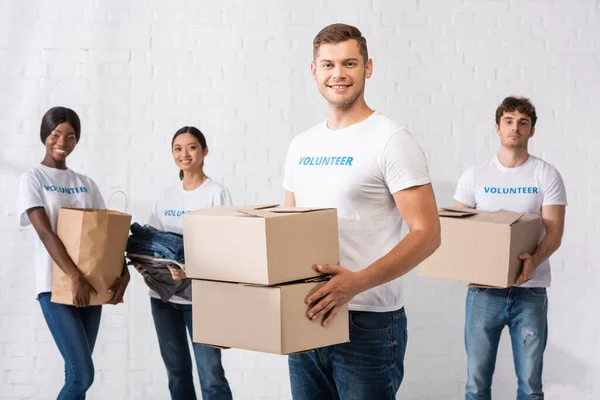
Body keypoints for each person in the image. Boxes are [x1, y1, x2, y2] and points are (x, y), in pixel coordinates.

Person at [282, 23, 441, 399]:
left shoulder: (391, 140)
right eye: (328, 65)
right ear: (314, 70)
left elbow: (428, 233)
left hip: (367, 323)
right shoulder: (300, 145)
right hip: (307, 317)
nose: (338, 74)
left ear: (367, 68)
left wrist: (357, 282)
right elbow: (285, 232)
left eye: (349, 63)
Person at [453, 96, 567, 400]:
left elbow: (554, 231)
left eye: (522, 122)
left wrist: (534, 261)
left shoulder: (546, 174)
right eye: (508, 121)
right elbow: (456, 229)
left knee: (530, 387)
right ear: (497, 127)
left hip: (530, 291)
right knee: (476, 387)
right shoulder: (474, 176)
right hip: (483, 292)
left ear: (532, 131)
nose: (515, 127)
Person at [16, 106, 130, 399]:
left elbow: (107, 234)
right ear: (45, 134)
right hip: (55, 288)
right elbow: (45, 232)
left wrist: (124, 273)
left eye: (70, 136)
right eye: (56, 134)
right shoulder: (33, 179)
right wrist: (74, 275)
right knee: (82, 375)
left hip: (91, 286)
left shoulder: (85, 183)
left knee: (76, 373)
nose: (62, 143)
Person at [134, 126, 233, 400]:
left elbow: (227, 247)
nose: (184, 154)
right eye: (178, 148)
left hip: (200, 299)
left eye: (191, 147)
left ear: (204, 151)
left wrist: (192, 269)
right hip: (163, 298)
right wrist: (145, 266)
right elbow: (149, 241)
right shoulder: (166, 194)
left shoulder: (216, 193)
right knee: (177, 374)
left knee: (211, 377)